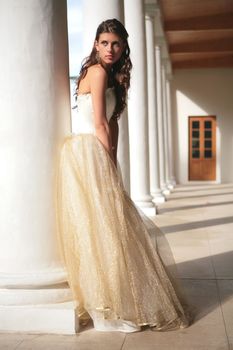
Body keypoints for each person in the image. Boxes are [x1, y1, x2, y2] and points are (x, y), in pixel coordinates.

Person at [56, 18, 190, 333]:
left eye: (115, 43)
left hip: (98, 152)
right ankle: (104, 311)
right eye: (104, 42)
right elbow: (101, 123)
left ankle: (112, 303)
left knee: (108, 227)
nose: (110, 49)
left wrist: (112, 157)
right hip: (91, 152)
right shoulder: (98, 72)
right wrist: (110, 162)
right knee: (102, 228)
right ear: (95, 44)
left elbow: (112, 122)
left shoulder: (112, 75)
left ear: (123, 46)